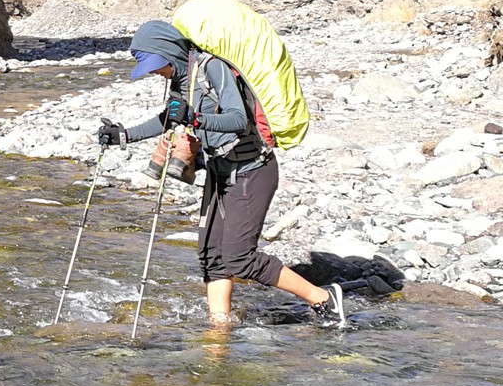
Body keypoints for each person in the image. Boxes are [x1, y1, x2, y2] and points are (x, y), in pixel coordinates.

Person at [98, 19, 346, 328]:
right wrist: (123, 135)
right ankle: (219, 327)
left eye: (155, 64)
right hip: (220, 173)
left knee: (240, 258)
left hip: (251, 171)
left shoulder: (213, 68)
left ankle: (323, 298)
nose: (153, 72)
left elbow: (238, 120)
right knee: (212, 256)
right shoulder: (181, 79)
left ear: (170, 52)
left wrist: (196, 119)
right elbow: (169, 119)